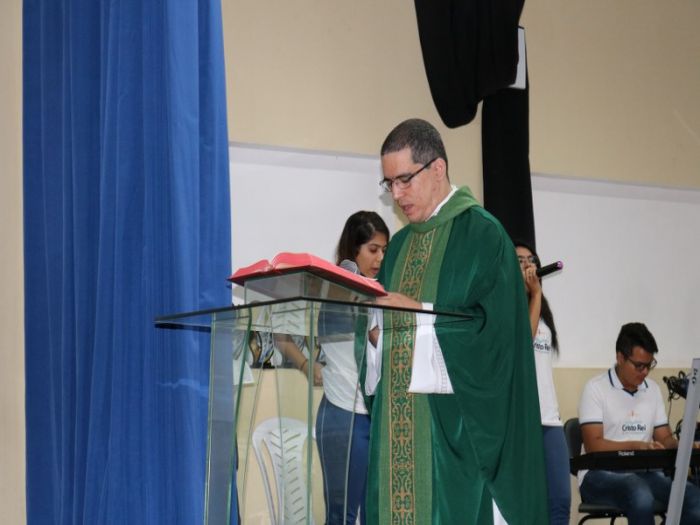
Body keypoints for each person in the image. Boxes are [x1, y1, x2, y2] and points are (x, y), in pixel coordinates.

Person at [362, 118, 548, 524]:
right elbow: (385, 332)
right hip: (397, 436)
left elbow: (500, 340)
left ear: (438, 169)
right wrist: (375, 338)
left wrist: (421, 316)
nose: (396, 194)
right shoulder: (398, 248)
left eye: (404, 180)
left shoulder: (484, 235)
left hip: (454, 441)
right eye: (389, 183)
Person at [578, 322, 700, 525]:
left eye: (649, 365)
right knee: (639, 493)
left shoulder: (652, 390)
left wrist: (686, 444)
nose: (645, 372)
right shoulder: (595, 388)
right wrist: (637, 446)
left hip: (644, 474)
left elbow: (665, 439)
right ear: (620, 358)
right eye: (639, 366)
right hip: (599, 475)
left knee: (693, 498)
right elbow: (593, 446)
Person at [315, 211, 389, 525]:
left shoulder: (378, 290)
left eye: (384, 250)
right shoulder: (337, 288)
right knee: (342, 514)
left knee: (374, 512)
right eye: (373, 249)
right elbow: (371, 336)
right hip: (342, 412)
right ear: (353, 249)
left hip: (372, 413)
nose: (380, 258)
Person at [515, 241, 570, 525]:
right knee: (526, 504)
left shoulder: (542, 311)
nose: (528, 265)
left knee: (560, 501)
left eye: (531, 260)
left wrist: (537, 296)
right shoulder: (505, 306)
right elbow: (524, 340)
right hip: (521, 421)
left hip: (549, 419)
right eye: (519, 261)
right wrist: (535, 294)